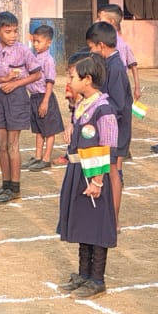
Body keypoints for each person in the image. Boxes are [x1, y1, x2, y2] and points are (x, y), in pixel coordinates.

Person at [55, 53, 120, 299]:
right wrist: (72, 125)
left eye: (72, 76)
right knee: (83, 223)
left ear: (87, 79)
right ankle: (83, 273)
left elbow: (107, 146)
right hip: (77, 170)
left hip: (93, 176)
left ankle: (97, 278)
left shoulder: (104, 109)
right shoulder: (83, 104)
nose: (69, 81)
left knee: (96, 226)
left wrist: (97, 181)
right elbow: (79, 125)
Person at [0, 11, 40, 206]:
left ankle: (15, 187)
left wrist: (15, 84)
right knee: (0, 143)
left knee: (12, 144)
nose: (13, 36)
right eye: (8, 32)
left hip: (16, 97)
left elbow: (37, 74)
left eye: (15, 31)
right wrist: (2, 80)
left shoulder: (23, 50)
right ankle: (5, 184)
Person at [86, 20, 133, 215]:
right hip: (110, 125)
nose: (91, 52)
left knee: (113, 170)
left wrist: (97, 110)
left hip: (117, 128)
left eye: (91, 48)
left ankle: (114, 218)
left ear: (101, 46)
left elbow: (118, 104)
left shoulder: (116, 68)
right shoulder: (108, 64)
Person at [25, 24, 64, 171]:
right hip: (34, 98)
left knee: (49, 130)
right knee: (39, 129)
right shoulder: (34, 57)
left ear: (48, 43)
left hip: (44, 98)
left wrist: (45, 102)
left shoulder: (48, 60)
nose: (35, 44)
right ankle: (38, 156)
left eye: (39, 41)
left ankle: (46, 158)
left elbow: (49, 82)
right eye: (34, 41)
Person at [97, 4, 140, 100]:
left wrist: (137, 88)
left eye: (100, 19)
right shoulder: (102, 41)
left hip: (116, 84)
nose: (97, 22)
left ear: (111, 22)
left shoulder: (120, 44)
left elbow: (133, 65)